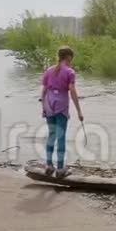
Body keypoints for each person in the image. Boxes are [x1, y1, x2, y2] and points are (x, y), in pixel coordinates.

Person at [41, 47, 84, 177]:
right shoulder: (69, 72)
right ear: (69, 57)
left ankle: (48, 165)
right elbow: (73, 92)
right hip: (61, 107)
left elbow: (43, 91)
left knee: (51, 135)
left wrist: (43, 107)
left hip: (49, 105)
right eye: (72, 58)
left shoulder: (48, 71)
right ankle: (60, 169)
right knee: (61, 137)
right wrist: (79, 111)